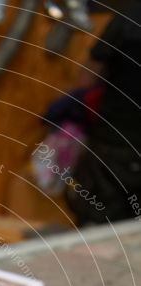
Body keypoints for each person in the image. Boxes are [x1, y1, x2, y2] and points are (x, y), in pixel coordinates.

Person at [65, 0, 141, 224]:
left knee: (97, 237)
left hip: (112, 147)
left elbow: (86, 78)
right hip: (117, 148)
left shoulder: (129, 17)